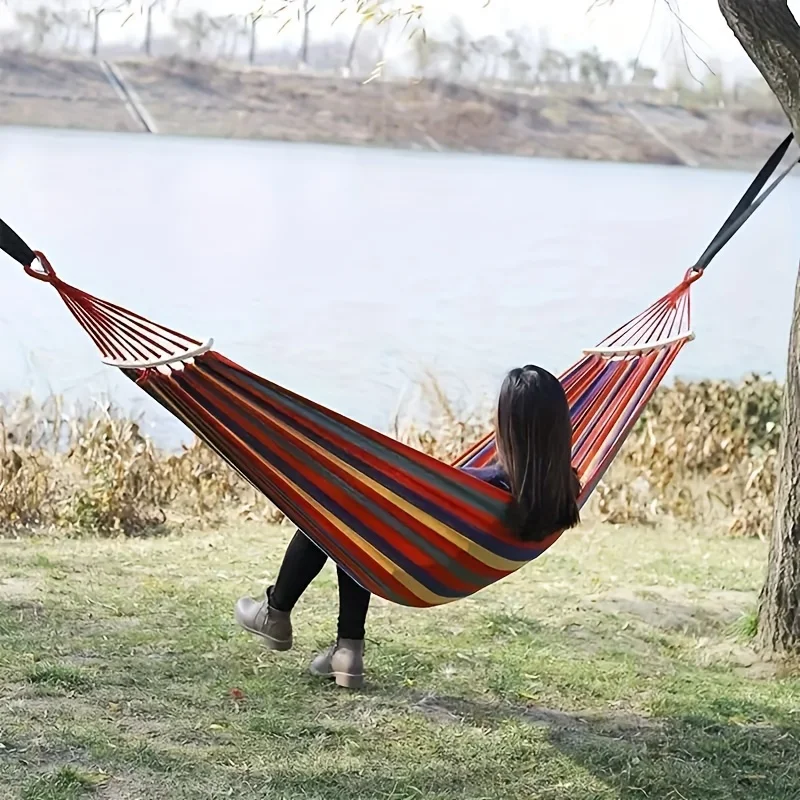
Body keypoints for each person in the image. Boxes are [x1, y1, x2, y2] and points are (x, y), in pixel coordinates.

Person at [234, 364, 581, 689]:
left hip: (420, 565)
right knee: (354, 514)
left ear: (507, 425)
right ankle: (346, 651)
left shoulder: (482, 484)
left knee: (343, 509)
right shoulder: (565, 489)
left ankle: (277, 612)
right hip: (453, 566)